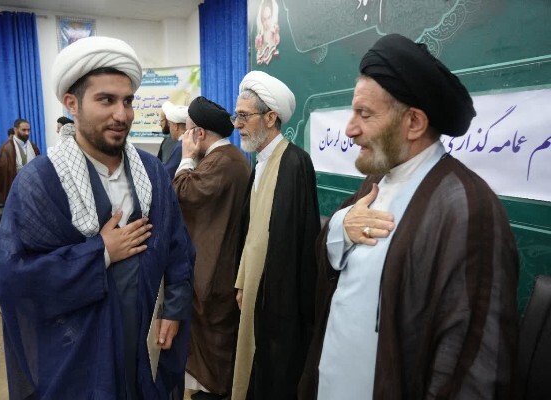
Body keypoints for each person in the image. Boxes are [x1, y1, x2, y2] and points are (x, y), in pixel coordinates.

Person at [298, 34, 519, 399]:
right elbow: (327, 256)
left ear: (413, 123)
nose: (350, 129)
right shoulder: (376, 181)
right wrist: (341, 227)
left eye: (364, 114)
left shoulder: (468, 209)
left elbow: (472, 363)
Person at [0, 36, 195, 399]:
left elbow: (178, 249)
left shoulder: (151, 173)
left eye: (128, 101)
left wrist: (174, 309)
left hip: (145, 345)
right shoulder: (39, 183)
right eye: (106, 100)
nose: (122, 114)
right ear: (71, 103)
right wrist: (100, 252)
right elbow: (16, 279)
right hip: (79, 355)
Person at [231, 71, 320, 400]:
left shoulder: (295, 163)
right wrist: (243, 282)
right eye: (237, 116)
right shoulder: (259, 164)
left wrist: (277, 302)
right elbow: (252, 232)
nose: (237, 124)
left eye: (244, 116)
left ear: (270, 118)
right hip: (256, 292)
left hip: (281, 303)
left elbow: (297, 243)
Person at [172, 97, 251, 400]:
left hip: (216, 275)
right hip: (221, 268)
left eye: (187, 131)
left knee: (214, 364)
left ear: (200, 133)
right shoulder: (229, 158)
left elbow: (182, 193)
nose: (184, 137)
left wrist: (186, 157)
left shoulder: (222, 162)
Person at [0, 118, 41, 202]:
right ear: (15, 130)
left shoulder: (34, 147)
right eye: (24, 130)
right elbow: (3, 176)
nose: (27, 133)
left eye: (28, 130)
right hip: (15, 190)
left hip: (32, 190)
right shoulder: (6, 148)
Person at [161, 101, 189, 179]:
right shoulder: (189, 142)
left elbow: (168, 173)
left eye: (170, 125)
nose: (169, 129)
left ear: (175, 126)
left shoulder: (182, 146)